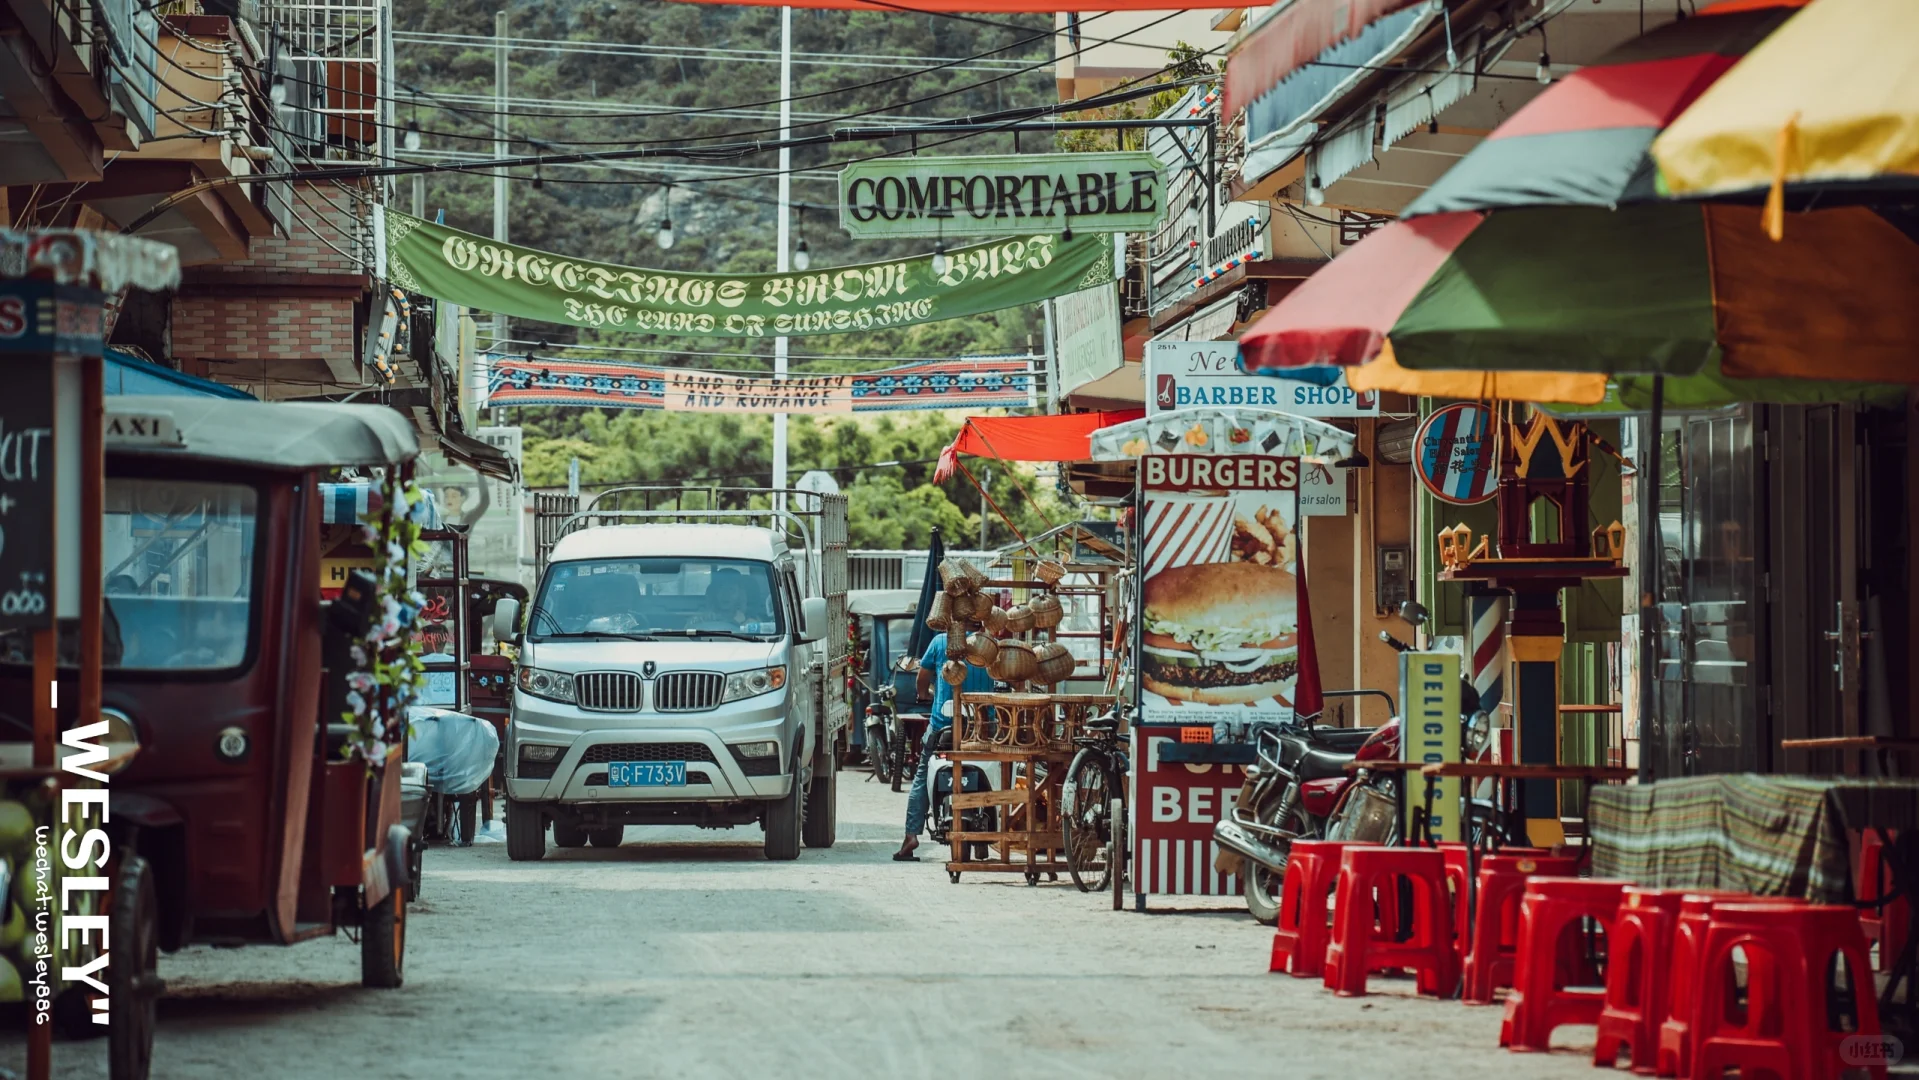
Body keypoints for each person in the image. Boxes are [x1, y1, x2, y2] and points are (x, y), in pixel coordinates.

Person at [895, 632, 993, 861]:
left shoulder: (940, 642)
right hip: (982, 728)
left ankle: (911, 836)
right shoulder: (989, 644)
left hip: (942, 728)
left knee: (921, 775)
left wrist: (922, 695)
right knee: (993, 771)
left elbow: (922, 678)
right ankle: (986, 837)